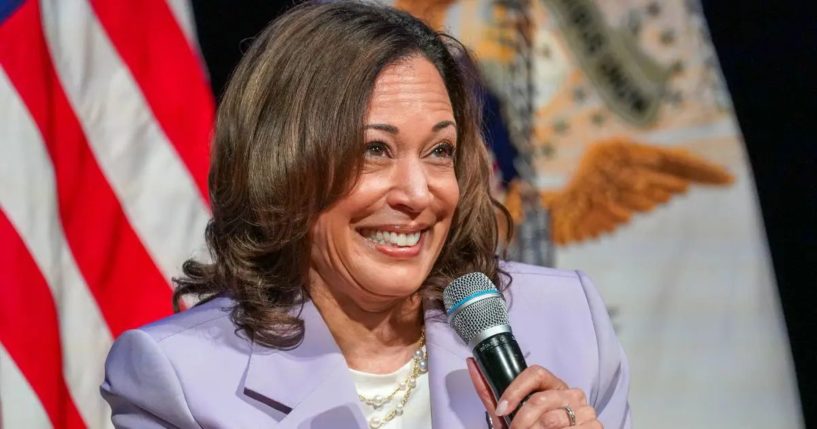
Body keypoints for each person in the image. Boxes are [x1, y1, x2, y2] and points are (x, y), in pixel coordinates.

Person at [100, 2, 631, 428]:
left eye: (439, 151)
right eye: (375, 150)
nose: (418, 194)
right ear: (285, 164)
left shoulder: (567, 323)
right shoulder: (177, 379)